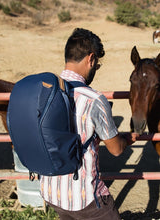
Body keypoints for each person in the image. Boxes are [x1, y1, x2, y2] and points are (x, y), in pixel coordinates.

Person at [39, 28, 138, 220]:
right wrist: (127, 139)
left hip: (50, 191)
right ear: (91, 59)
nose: (95, 69)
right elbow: (116, 150)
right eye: (97, 65)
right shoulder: (94, 99)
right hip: (84, 198)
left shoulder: (44, 91)